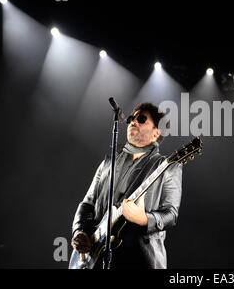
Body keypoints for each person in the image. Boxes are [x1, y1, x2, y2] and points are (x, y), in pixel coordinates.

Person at [71, 102, 183, 269]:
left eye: (142, 118)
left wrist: (144, 219)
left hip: (139, 261)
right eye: (132, 118)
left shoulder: (168, 166)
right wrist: (80, 231)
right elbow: (88, 203)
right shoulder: (108, 163)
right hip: (96, 259)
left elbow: (171, 214)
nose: (133, 121)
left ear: (156, 133)